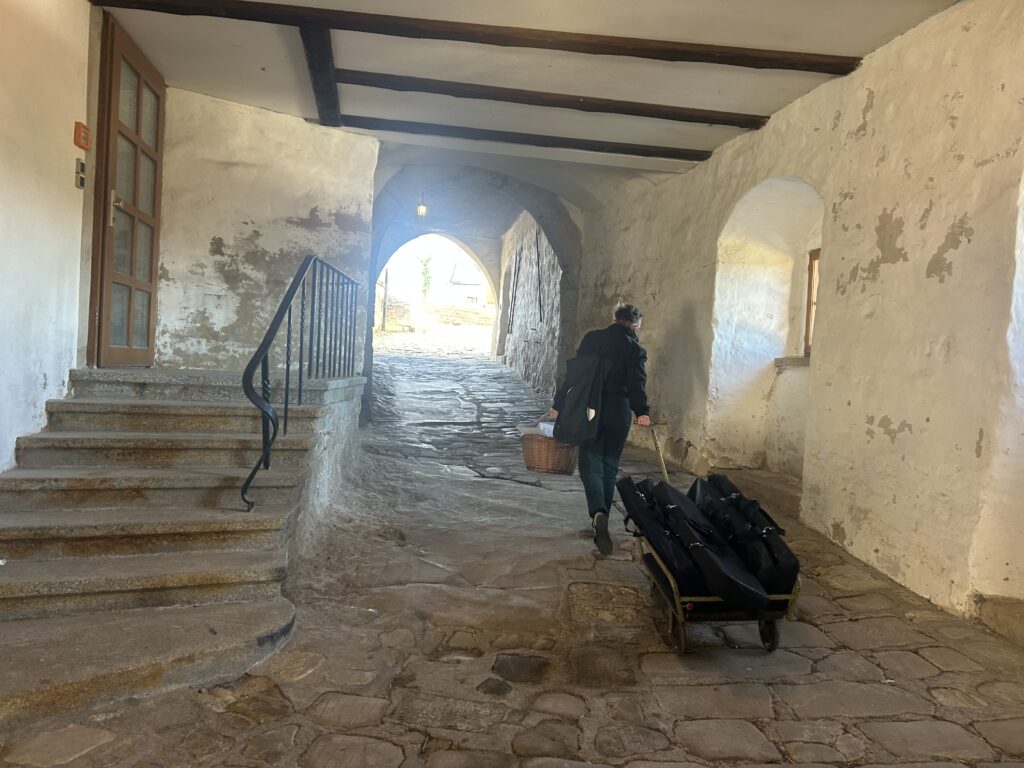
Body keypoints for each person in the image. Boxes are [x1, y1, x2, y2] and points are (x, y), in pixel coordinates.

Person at [551, 304, 651, 555]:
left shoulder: (592, 339)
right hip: (619, 411)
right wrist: (642, 412)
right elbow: (637, 381)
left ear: (614, 319)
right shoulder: (634, 348)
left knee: (590, 462)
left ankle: (598, 512)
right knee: (609, 464)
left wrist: (559, 403)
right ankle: (602, 516)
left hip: (590, 408)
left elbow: (573, 374)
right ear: (635, 325)